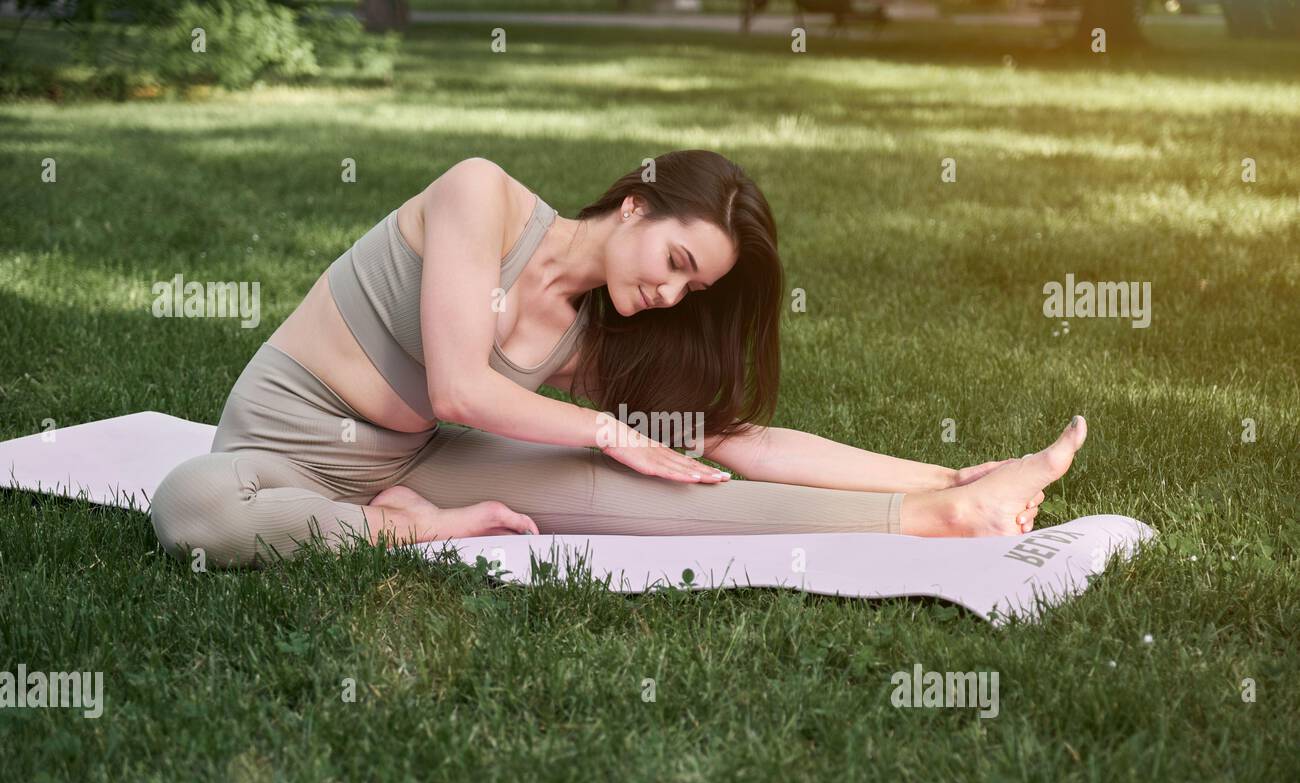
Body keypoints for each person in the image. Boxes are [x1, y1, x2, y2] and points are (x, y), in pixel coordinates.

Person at [149, 150, 1085, 569]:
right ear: (636, 204)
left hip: (413, 462)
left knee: (672, 485)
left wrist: (951, 468)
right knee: (194, 513)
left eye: (695, 291)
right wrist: (605, 429)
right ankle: (416, 531)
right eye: (678, 263)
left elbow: (740, 440)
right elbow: (459, 385)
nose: (672, 296)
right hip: (277, 454)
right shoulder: (480, 197)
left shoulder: (586, 338)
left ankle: (945, 513)